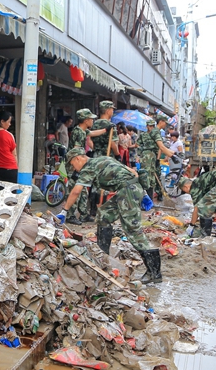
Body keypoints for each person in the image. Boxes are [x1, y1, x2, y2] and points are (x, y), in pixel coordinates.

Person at [56, 148, 161, 283]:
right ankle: (103, 257)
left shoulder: (88, 168)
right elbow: (132, 172)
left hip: (127, 192)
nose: (73, 168)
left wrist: (64, 211)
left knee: (133, 231)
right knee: (104, 215)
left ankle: (154, 272)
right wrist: (144, 194)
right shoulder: (104, 158)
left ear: (78, 158)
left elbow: (76, 191)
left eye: (72, 164)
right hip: (129, 190)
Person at [65, 109, 98, 224]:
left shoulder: (83, 131)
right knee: (75, 190)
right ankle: (70, 215)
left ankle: (84, 214)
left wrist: (106, 129)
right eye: (91, 119)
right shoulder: (78, 132)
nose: (93, 121)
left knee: (83, 189)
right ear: (86, 120)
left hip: (80, 163)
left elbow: (93, 133)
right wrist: (76, 169)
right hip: (75, 164)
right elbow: (76, 151)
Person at [137, 115, 178, 200]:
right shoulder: (155, 132)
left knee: (152, 178)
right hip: (148, 156)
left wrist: (173, 153)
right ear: (161, 122)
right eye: (165, 123)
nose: (165, 125)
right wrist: (172, 156)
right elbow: (161, 147)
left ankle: (151, 199)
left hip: (152, 156)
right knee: (147, 178)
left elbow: (161, 147)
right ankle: (146, 201)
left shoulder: (157, 131)